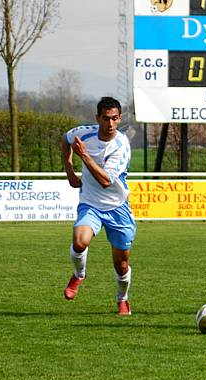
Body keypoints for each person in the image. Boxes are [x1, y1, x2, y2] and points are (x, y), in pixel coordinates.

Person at [61, 96, 136, 316]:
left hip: (117, 207)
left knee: (121, 265)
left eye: (115, 119)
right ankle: (79, 274)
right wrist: (69, 170)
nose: (110, 124)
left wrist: (83, 156)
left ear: (120, 118)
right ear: (98, 118)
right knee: (79, 241)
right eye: (106, 119)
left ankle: (123, 299)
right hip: (91, 203)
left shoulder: (121, 145)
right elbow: (65, 140)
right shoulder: (84, 133)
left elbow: (105, 181)